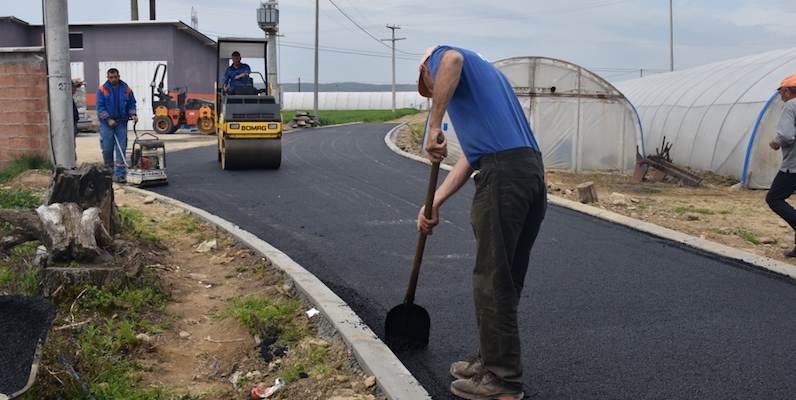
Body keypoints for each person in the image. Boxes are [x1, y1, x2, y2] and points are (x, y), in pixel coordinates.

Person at [415, 45, 546, 400]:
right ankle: (492, 360)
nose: (435, 96)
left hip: (504, 176)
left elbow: (451, 60)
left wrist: (434, 124)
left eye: (430, 88)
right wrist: (434, 203)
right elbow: (473, 157)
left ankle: (502, 380)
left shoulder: (446, 57)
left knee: (491, 279)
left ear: (427, 68)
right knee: (506, 277)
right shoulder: (489, 81)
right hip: (529, 171)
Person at [767, 74, 796, 258]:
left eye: (781, 93)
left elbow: (786, 135)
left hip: (794, 166)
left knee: (774, 198)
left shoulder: (791, 106)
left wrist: (776, 142)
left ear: (787, 92)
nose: (781, 97)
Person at [97, 68, 138, 183]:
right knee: (107, 147)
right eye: (111, 78)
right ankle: (108, 173)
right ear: (108, 77)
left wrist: (133, 114)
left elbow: (131, 103)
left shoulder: (126, 89)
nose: (113, 79)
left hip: (121, 121)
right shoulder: (102, 90)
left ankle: (120, 174)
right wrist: (108, 119)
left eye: (115, 77)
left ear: (118, 76)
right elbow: (100, 107)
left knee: (121, 147)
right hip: (106, 123)